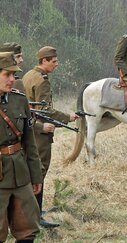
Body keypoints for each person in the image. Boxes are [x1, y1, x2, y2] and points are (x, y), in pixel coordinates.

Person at [22, 46, 79, 228]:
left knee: (32, 171)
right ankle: (35, 216)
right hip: (40, 133)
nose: (57, 64)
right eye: (53, 61)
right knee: (39, 172)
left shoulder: (29, 75)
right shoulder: (42, 81)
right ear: (44, 61)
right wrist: (67, 117)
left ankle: (32, 212)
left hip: (30, 128)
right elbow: (44, 111)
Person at [0, 51, 42, 243]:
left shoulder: (20, 100)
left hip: (21, 173)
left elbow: (29, 142)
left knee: (28, 229)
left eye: (14, 75)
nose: (12, 80)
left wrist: (36, 176)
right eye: (7, 75)